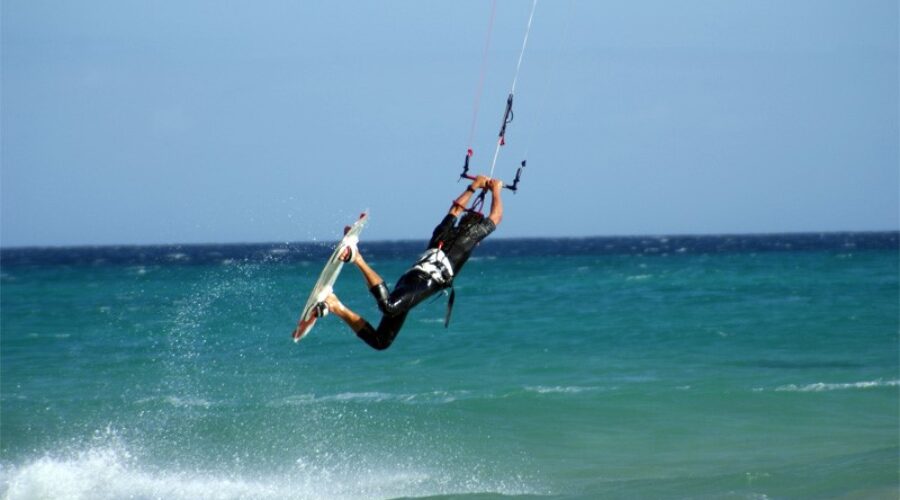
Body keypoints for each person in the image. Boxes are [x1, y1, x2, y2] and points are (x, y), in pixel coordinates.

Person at [319, 174, 503, 350]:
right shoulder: (470, 237)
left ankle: (334, 305)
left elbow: (455, 209)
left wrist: (474, 186)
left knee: (381, 341)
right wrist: (496, 189)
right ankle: (356, 257)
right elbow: (496, 217)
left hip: (410, 278)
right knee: (389, 307)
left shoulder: (443, 229)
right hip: (425, 280)